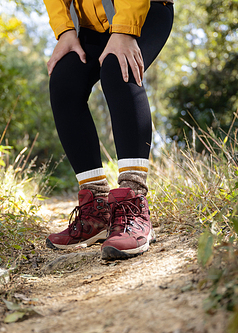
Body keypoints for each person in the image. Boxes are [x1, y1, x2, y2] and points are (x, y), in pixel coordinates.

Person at [43, 0, 174, 260]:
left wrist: (125, 30)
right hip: (92, 22)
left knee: (118, 68)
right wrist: (65, 30)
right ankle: (96, 210)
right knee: (64, 80)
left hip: (143, 10)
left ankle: (133, 202)